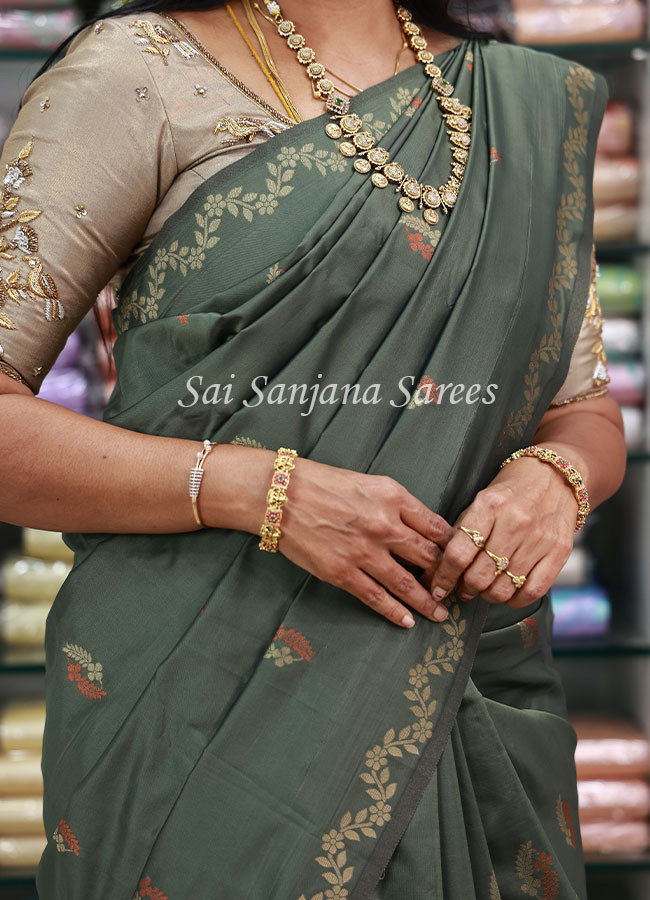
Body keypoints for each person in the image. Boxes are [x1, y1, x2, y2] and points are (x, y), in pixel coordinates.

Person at [0, 0, 626, 897]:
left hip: (468, 687)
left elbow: (582, 408)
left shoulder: (515, 103)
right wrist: (259, 491)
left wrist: (555, 480)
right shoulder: (136, 72)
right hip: (197, 701)